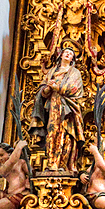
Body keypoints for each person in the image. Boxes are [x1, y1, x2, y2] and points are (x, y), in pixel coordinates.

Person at [29, 42, 85, 172]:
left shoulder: (75, 73)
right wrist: (47, 89)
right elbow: (43, 90)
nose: (68, 54)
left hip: (68, 109)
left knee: (66, 134)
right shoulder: (52, 71)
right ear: (61, 55)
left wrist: (57, 87)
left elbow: (75, 88)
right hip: (53, 106)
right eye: (66, 52)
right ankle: (51, 163)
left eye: (71, 54)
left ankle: (62, 165)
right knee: (52, 132)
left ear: (72, 59)